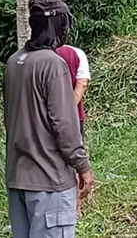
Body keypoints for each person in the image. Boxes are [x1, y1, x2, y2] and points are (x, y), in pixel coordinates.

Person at [4, 0, 94, 238]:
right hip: (49, 180)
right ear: (59, 24)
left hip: (18, 179)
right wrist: (82, 166)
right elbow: (64, 124)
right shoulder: (53, 64)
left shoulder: (14, 61)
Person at [55, 42, 91, 213]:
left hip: (45, 120)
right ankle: (75, 208)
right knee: (75, 160)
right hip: (74, 118)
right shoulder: (76, 53)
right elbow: (82, 83)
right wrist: (68, 109)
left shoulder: (39, 56)